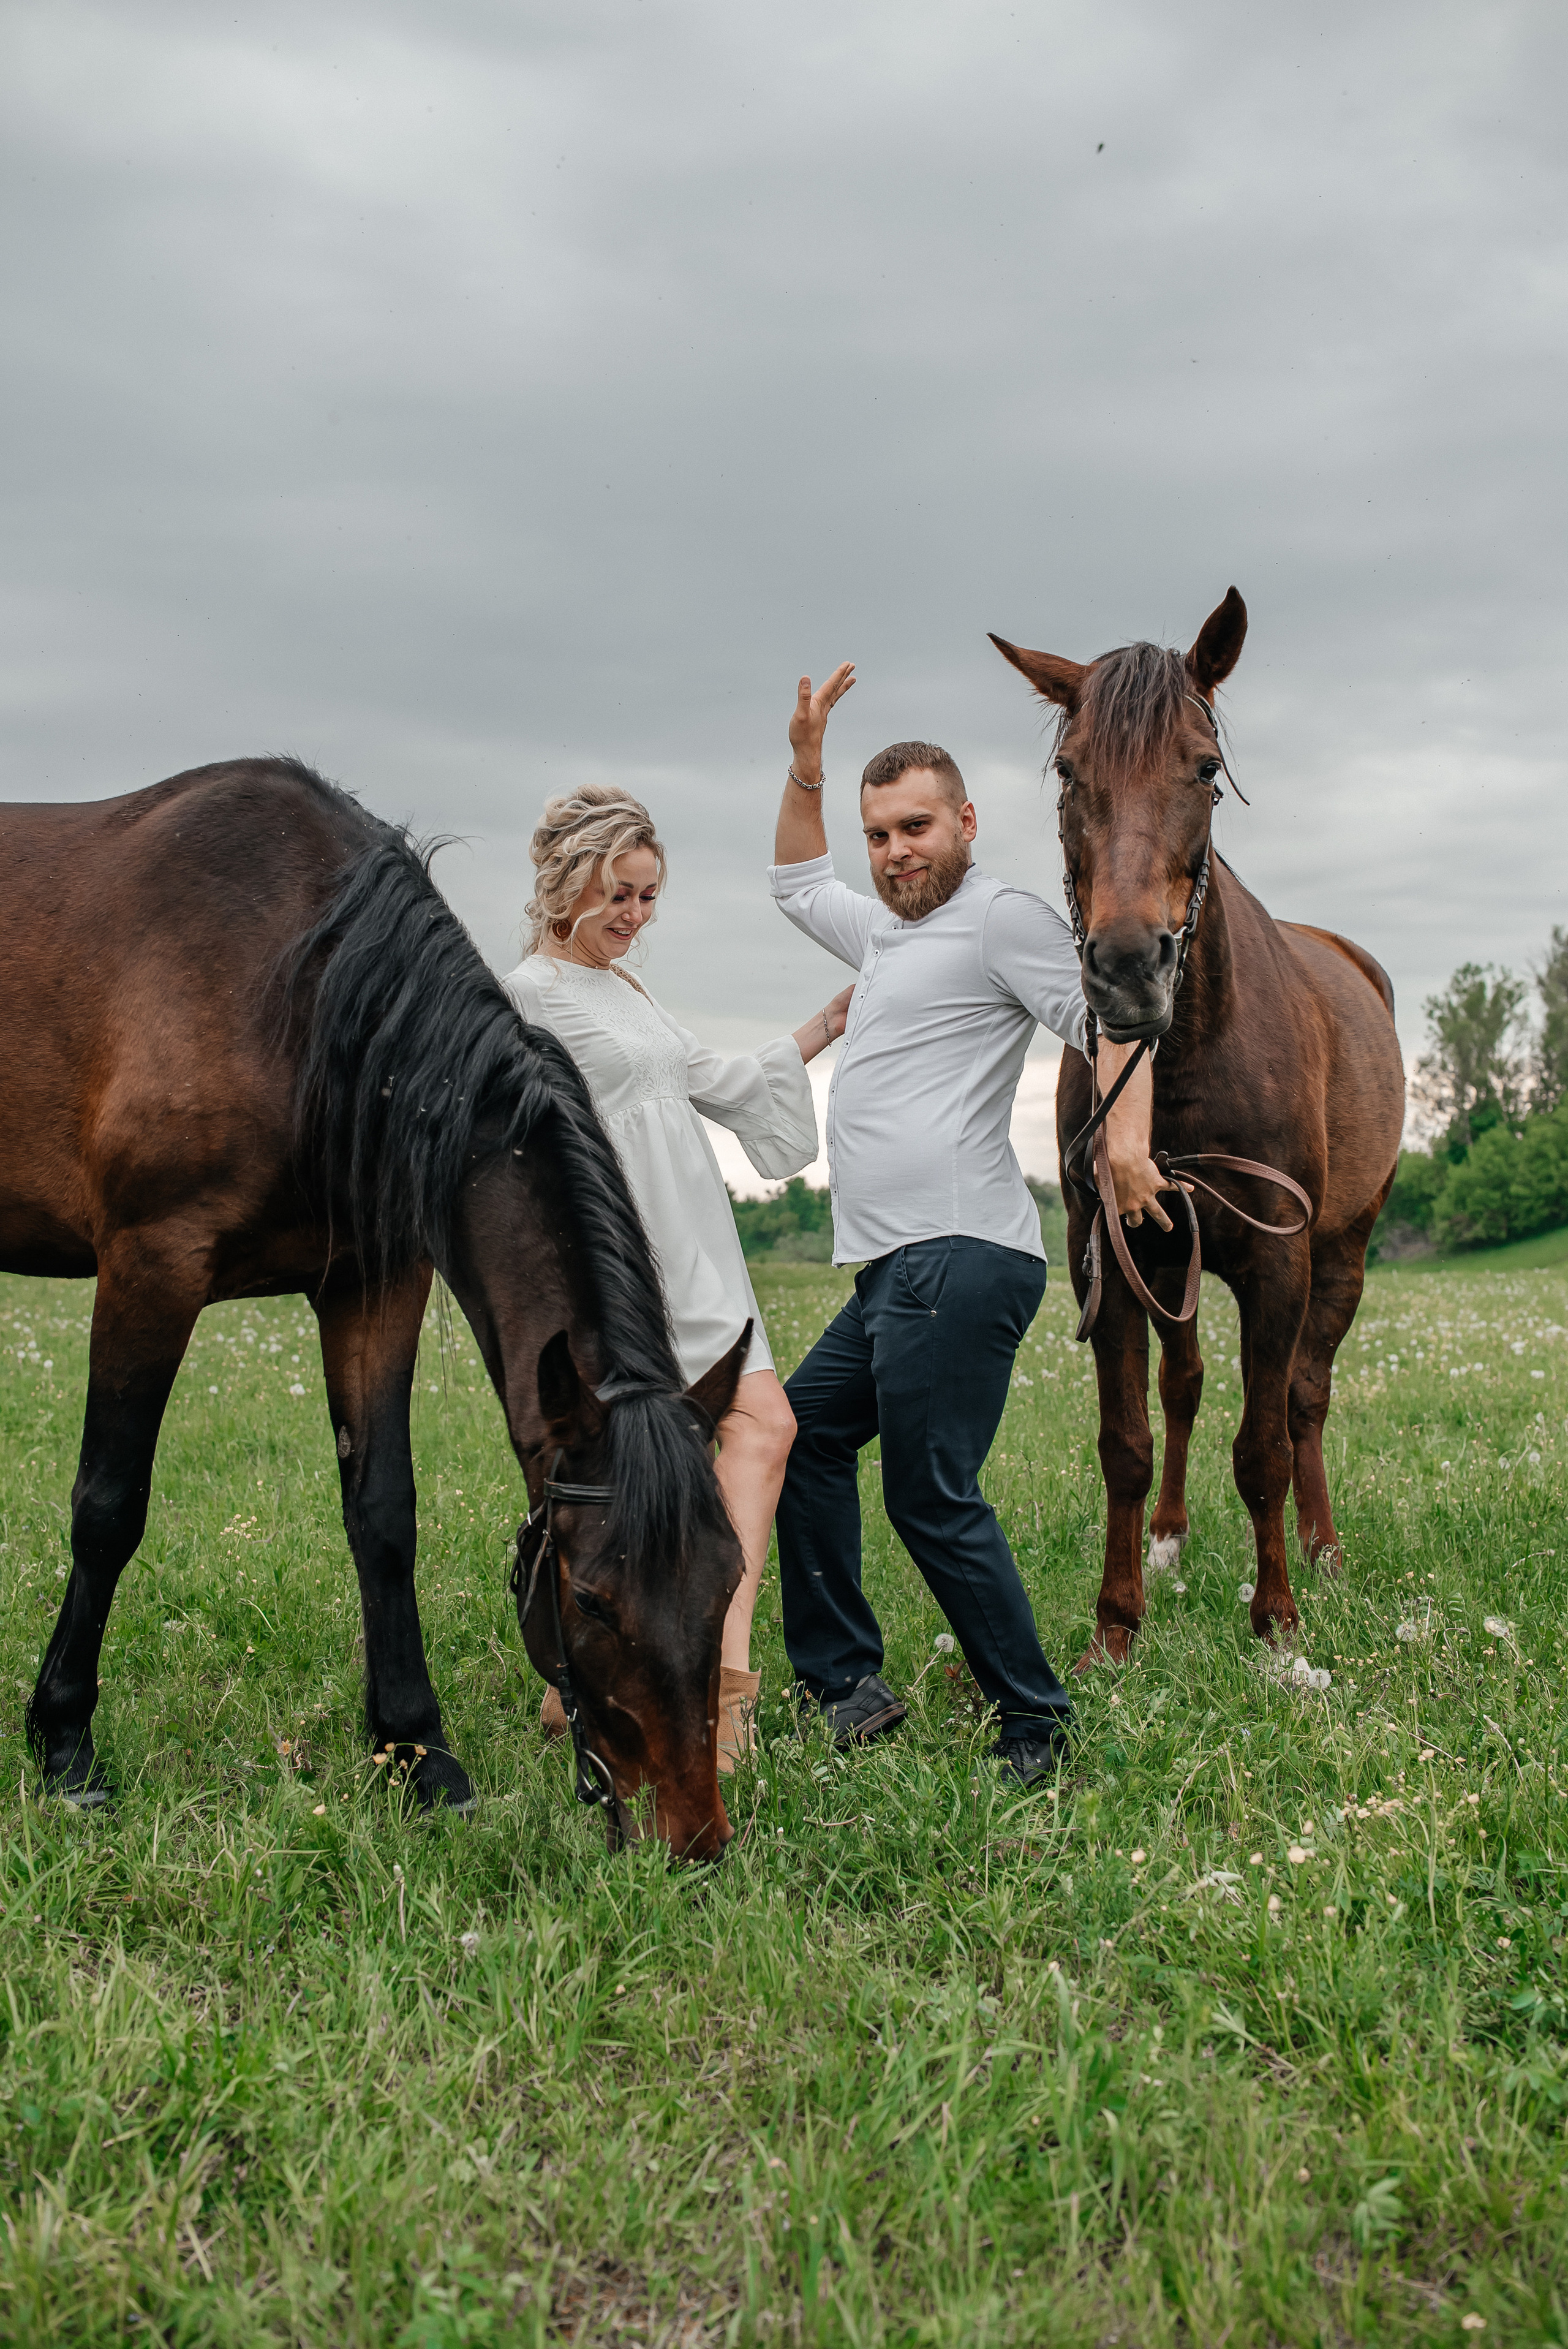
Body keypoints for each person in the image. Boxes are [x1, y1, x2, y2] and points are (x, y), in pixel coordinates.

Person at [768, 664, 1174, 1788]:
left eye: (918, 827)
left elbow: (1115, 1012)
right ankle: (845, 1684)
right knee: (802, 1436)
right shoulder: (886, 934)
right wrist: (805, 765)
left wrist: (1126, 1141)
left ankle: (1035, 1722)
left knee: (929, 1494)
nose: (897, 851)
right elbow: (795, 883)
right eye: (880, 834)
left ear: (966, 822)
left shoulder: (999, 918)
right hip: (894, 1264)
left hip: (961, 1254)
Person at [502, 784, 853, 1769]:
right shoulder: (525, 996)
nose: (636, 915)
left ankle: (719, 1681)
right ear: (568, 882)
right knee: (626, 1473)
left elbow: (712, 1079)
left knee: (764, 1429)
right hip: (618, 1262)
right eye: (619, 893)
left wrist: (824, 1025)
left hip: (700, 1243)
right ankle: (592, 1681)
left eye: (649, 896)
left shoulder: (629, 992)